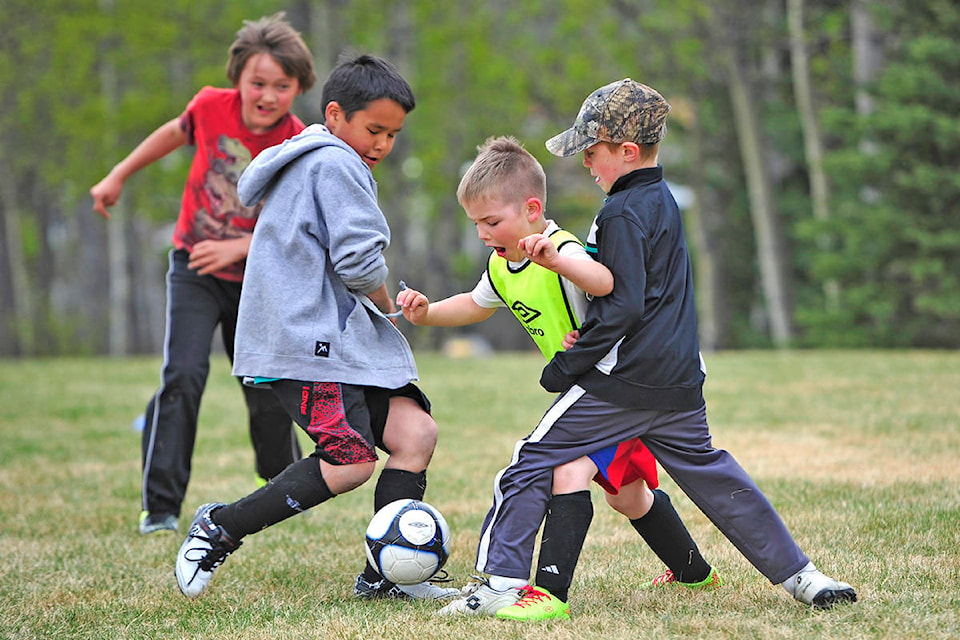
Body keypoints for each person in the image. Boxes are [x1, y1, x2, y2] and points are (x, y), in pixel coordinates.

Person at [440, 79, 858, 617]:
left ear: (626, 151)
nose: (587, 164)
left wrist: (571, 362)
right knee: (713, 474)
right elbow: (652, 295)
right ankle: (805, 578)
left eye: (591, 153)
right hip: (681, 375)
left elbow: (623, 303)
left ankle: (498, 587)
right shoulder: (661, 200)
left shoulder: (618, 212)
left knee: (528, 462)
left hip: (624, 380)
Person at [396, 136, 721, 621]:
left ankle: (544, 594)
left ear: (531, 209)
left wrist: (587, 333)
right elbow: (475, 302)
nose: (484, 234)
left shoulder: (564, 253)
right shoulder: (502, 263)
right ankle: (694, 572)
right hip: (591, 394)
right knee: (628, 496)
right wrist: (427, 315)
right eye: (477, 224)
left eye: (491, 222)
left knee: (565, 471)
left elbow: (612, 292)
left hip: (618, 388)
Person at [174, 54, 459, 603]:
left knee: (415, 434)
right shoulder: (337, 164)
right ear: (335, 114)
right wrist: (389, 304)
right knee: (349, 463)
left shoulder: (309, 156)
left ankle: (384, 581)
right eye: (373, 129)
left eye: (393, 134)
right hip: (308, 343)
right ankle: (221, 527)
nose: (381, 144)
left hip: (328, 342)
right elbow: (358, 261)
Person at [89, 13, 315, 535]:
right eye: (258, 83)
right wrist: (117, 175)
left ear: (297, 88)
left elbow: (301, 224)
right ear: (238, 78)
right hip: (192, 267)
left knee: (265, 387)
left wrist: (239, 244)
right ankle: (161, 507)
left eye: (282, 86)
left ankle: (281, 485)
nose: (268, 96)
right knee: (182, 376)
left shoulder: (299, 141)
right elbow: (171, 133)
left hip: (258, 281)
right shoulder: (210, 107)